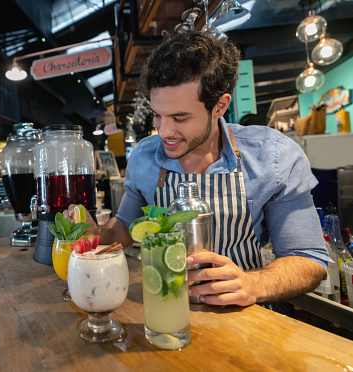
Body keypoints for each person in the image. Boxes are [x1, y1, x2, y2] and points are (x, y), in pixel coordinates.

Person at [64, 31, 330, 311]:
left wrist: (254, 284)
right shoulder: (143, 156)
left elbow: (308, 258)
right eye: (157, 115)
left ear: (220, 105)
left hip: (246, 316)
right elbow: (126, 229)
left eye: (180, 118)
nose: (164, 132)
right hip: (164, 306)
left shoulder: (273, 155)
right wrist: (96, 234)